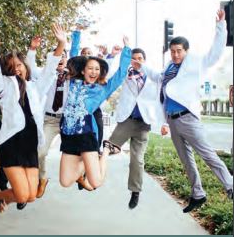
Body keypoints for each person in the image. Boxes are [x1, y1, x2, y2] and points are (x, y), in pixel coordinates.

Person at [0, 6, 66, 213]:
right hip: (12, 145)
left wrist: (61, 43)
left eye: (19, 64)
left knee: (31, 196)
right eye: (11, 65)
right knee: (23, 194)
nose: (16, 68)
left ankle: (4, 196)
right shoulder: (3, 86)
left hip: (30, 144)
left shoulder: (35, 87)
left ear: (25, 66)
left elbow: (50, 70)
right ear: (6, 70)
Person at [140, 9, 233, 213]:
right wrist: (142, 66)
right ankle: (197, 194)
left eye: (179, 51)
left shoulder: (195, 63)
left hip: (188, 119)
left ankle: (230, 185)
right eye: (172, 51)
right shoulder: (169, 67)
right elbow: (157, 78)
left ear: (186, 51)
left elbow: (215, 53)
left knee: (207, 154)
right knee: (185, 159)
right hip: (173, 120)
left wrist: (220, 27)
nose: (175, 54)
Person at [59, 36, 131, 191]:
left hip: (86, 135)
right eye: (90, 68)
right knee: (65, 182)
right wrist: (77, 33)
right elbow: (73, 55)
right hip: (68, 136)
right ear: (83, 70)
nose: (93, 72)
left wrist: (126, 50)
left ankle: (105, 150)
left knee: (96, 183)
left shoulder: (102, 89)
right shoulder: (72, 82)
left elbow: (120, 73)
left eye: (97, 69)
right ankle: (86, 162)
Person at [105, 48, 166, 209]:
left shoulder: (153, 78)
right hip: (126, 120)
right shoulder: (126, 74)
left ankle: (135, 191)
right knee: (107, 149)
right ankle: (88, 171)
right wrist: (111, 56)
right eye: (134, 59)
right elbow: (109, 72)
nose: (137, 61)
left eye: (140, 58)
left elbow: (161, 100)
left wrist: (164, 123)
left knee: (137, 160)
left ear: (144, 60)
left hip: (143, 124)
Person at [25, 36, 69, 198]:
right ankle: (42, 179)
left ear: (66, 59)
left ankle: (81, 174)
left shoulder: (73, 77)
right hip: (49, 120)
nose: (60, 59)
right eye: (56, 56)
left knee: (78, 150)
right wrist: (33, 49)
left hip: (67, 121)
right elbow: (29, 68)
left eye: (63, 56)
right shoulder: (43, 73)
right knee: (40, 152)